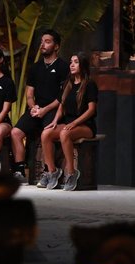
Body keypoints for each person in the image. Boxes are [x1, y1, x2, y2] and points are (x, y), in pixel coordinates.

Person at [10, 29, 69, 182]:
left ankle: (48, 171)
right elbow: (29, 93)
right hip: (37, 109)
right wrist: (33, 107)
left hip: (54, 110)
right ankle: (20, 170)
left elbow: (62, 97)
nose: (43, 45)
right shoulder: (35, 67)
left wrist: (45, 110)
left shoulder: (63, 67)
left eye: (47, 42)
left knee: (46, 133)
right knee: (15, 132)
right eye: (42, 42)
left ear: (56, 46)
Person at [38, 52, 97, 191]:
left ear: (83, 65)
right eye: (71, 62)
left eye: (76, 62)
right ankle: (52, 172)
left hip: (85, 126)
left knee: (64, 133)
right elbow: (61, 105)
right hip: (68, 123)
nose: (72, 65)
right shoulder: (68, 84)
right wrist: (55, 121)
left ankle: (71, 173)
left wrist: (74, 123)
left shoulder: (89, 84)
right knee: (46, 134)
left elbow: (91, 110)